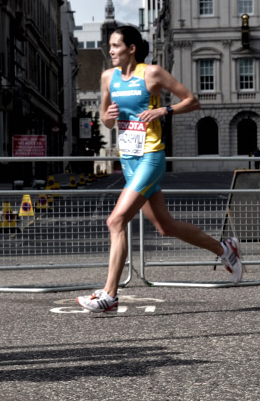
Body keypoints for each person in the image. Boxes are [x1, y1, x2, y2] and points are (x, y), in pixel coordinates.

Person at [76, 26, 243, 314]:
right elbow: (105, 120)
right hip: (128, 159)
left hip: (150, 157)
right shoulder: (108, 77)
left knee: (115, 221)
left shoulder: (151, 73)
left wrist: (164, 111)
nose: (111, 50)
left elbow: (192, 100)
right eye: (110, 46)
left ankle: (109, 295)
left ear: (132, 48)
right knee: (165, 226)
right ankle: (225, 249)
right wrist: (108, 116)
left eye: (116, 46)